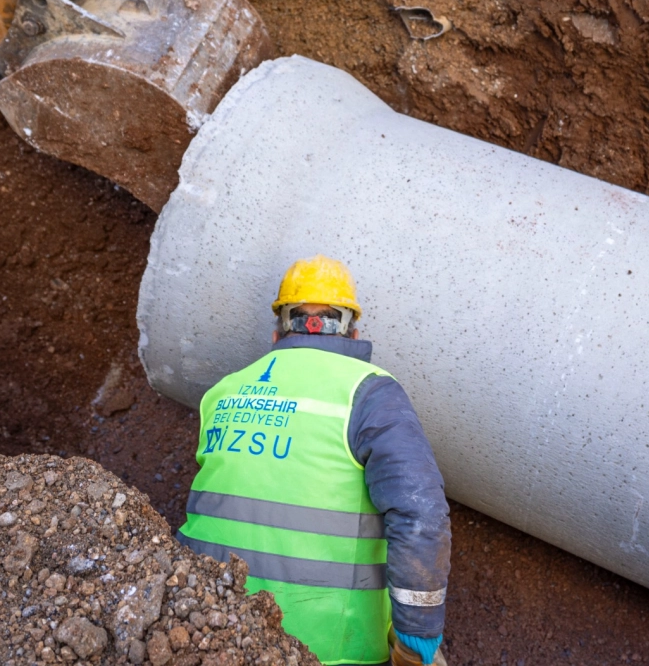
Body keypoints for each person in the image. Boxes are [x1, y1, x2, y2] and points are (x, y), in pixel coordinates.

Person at [178, 256, 451, 666]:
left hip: (203, 626)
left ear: (278, 331)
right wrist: (416, 640)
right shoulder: (370, 394)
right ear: (353, 331)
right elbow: (421, 516)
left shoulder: (223, 392)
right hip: (326, 648)